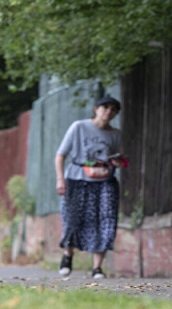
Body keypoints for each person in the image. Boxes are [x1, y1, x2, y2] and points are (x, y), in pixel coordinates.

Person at [55, 96, 125, 279]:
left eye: (113, 109)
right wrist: (60, 179)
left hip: (104, 180)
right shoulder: (79, 127)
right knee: (72, 219)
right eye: (104, 107)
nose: (108, 112)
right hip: (78, 178)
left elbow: (113, 157)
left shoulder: (115, 134)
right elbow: (60, 155)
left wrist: (117, 162)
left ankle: (97, 268)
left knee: (106, 220)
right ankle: (67, 256)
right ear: (96, 109)